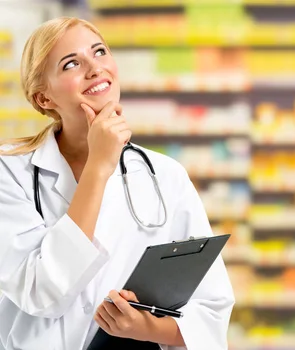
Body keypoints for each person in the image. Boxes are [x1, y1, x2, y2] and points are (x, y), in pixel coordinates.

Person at [0, 17, 235, 350]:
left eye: (99, 52)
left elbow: (212, 308)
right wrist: (99, 164)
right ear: (43, 99)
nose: (95, 69)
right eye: (71, 64)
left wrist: (147, 329)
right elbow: (42, 293)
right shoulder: (9, 171)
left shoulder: (166, 176)